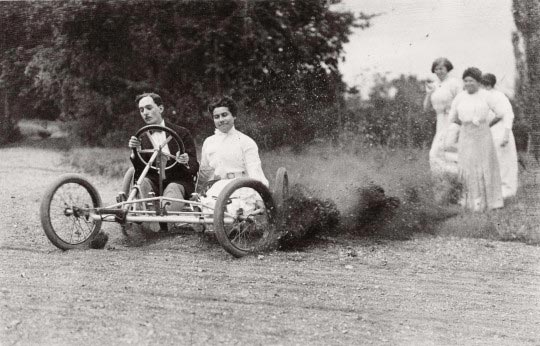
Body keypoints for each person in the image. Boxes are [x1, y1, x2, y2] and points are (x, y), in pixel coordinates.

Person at [128, 92, 199, 231]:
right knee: (142, 182)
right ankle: (143, 216)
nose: (145, 113)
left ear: (160, 108)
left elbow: (194, 165)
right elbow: (140, 170)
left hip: (178, 180)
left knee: (172, 188)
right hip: (154, 181)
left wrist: (185, 160)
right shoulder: (142, 136)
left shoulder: (181, 132)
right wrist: (134, 152)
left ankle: (162, 222)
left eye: (149, 108)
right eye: (141, 110)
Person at [448, 67, 510, 211]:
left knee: (484, 165)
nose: (468, 83)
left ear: (478, 81)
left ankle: (490, 202)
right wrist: (465, 125)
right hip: (466, 135)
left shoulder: (486, 95)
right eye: (466, 81)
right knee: (467, 166)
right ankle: (470, 203)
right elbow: (453, 117)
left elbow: (500, 114)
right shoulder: (460, 97)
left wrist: (485, 125)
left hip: (482, 134)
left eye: (471, 81)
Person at [198, 96, 268, 214]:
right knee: (207, 207)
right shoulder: (209, 142)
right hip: (219, 186)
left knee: (234, 209)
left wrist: (259, 197)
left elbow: (255, 171)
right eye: (216, 117)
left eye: (225, 115)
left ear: (234, 116)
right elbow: (205, 172)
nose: (221, 120)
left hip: (242, 186)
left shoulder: (245, 142)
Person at [481, 73, 518, 199]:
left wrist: (506, 135)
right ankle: (494, 190)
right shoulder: (484, 98)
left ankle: (507, 191)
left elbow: (508, 115)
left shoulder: (499, 96)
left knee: (504, 162)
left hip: (501, 131)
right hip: (491, 132)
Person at [423, 57, 462, 176]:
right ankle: (442, 181)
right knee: (435, 153)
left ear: (447, 69)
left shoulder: (454, 83)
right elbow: (426, 108)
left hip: (454, 120)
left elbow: (462, 102)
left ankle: (459, 181)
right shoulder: (433, 86)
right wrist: (429, 94)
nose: (439, 71)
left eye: (441, 68)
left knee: (451, 151)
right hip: (440, 121)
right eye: (436, 69)